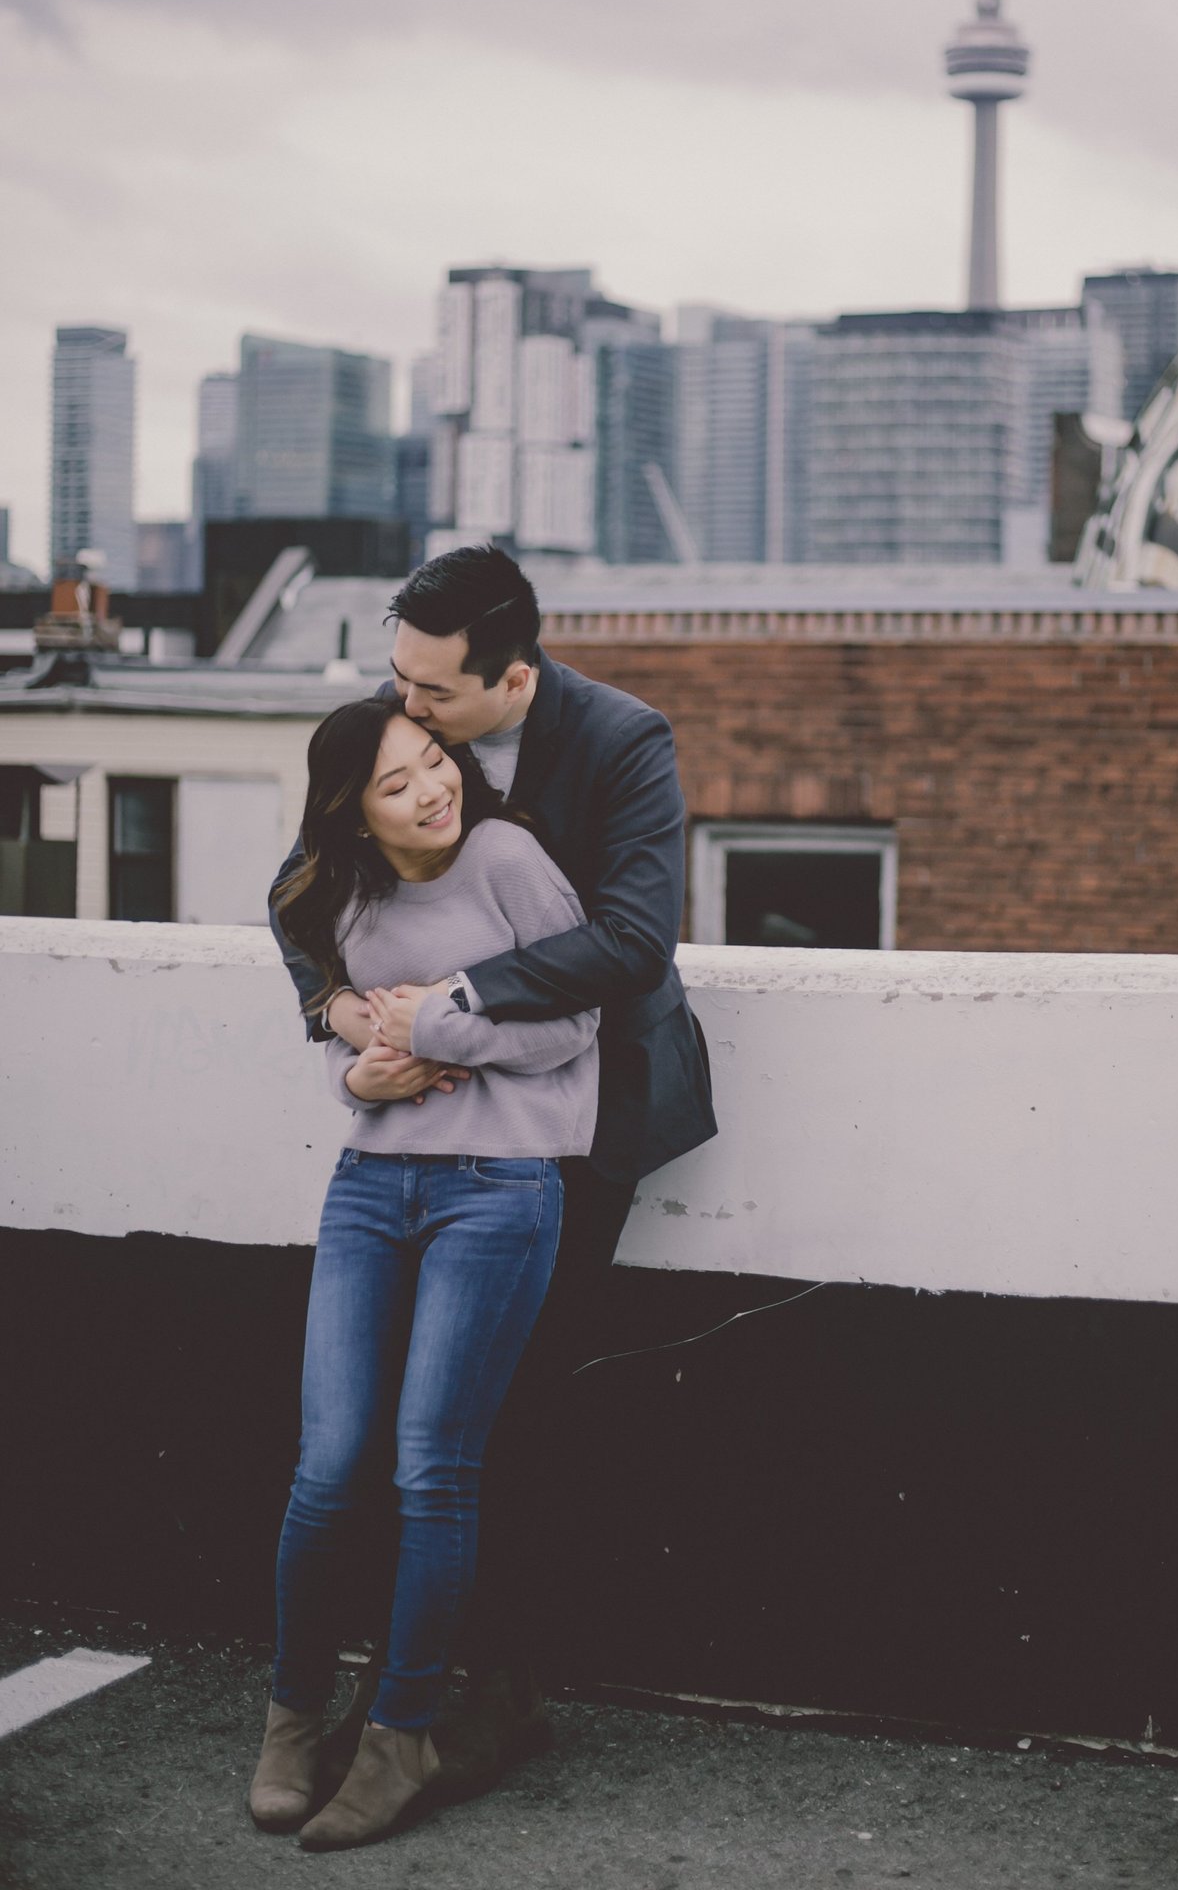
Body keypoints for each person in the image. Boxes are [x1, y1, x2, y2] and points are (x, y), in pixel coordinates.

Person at [268, 543, 716, 1798]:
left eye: (431, 699)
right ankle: (408, 1682)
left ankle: (488, 1693)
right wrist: (348, 1017)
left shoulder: (623, 740)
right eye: (397, 680)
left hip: (585, 1119)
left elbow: (629, 940)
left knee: (502, 1417)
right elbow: (300, 887)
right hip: (413, 1140)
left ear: (511, 680)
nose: (404, 711)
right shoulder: (398, 737)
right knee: (399, 1433)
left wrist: (441, 1008)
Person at [252, 697, 600, 1850]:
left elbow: (573, 1019)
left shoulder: (506, 858)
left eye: (434, 761)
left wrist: (433, 1028)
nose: (432, 789)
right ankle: (296, 1717)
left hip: (499, 1188)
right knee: (328, 1465)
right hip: (369, 1185)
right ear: (353, 812)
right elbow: (337, 1018)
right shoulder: (334, 889)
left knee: (428, 1469)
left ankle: (401, 1732)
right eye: (397, 784)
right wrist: (363, 1075)